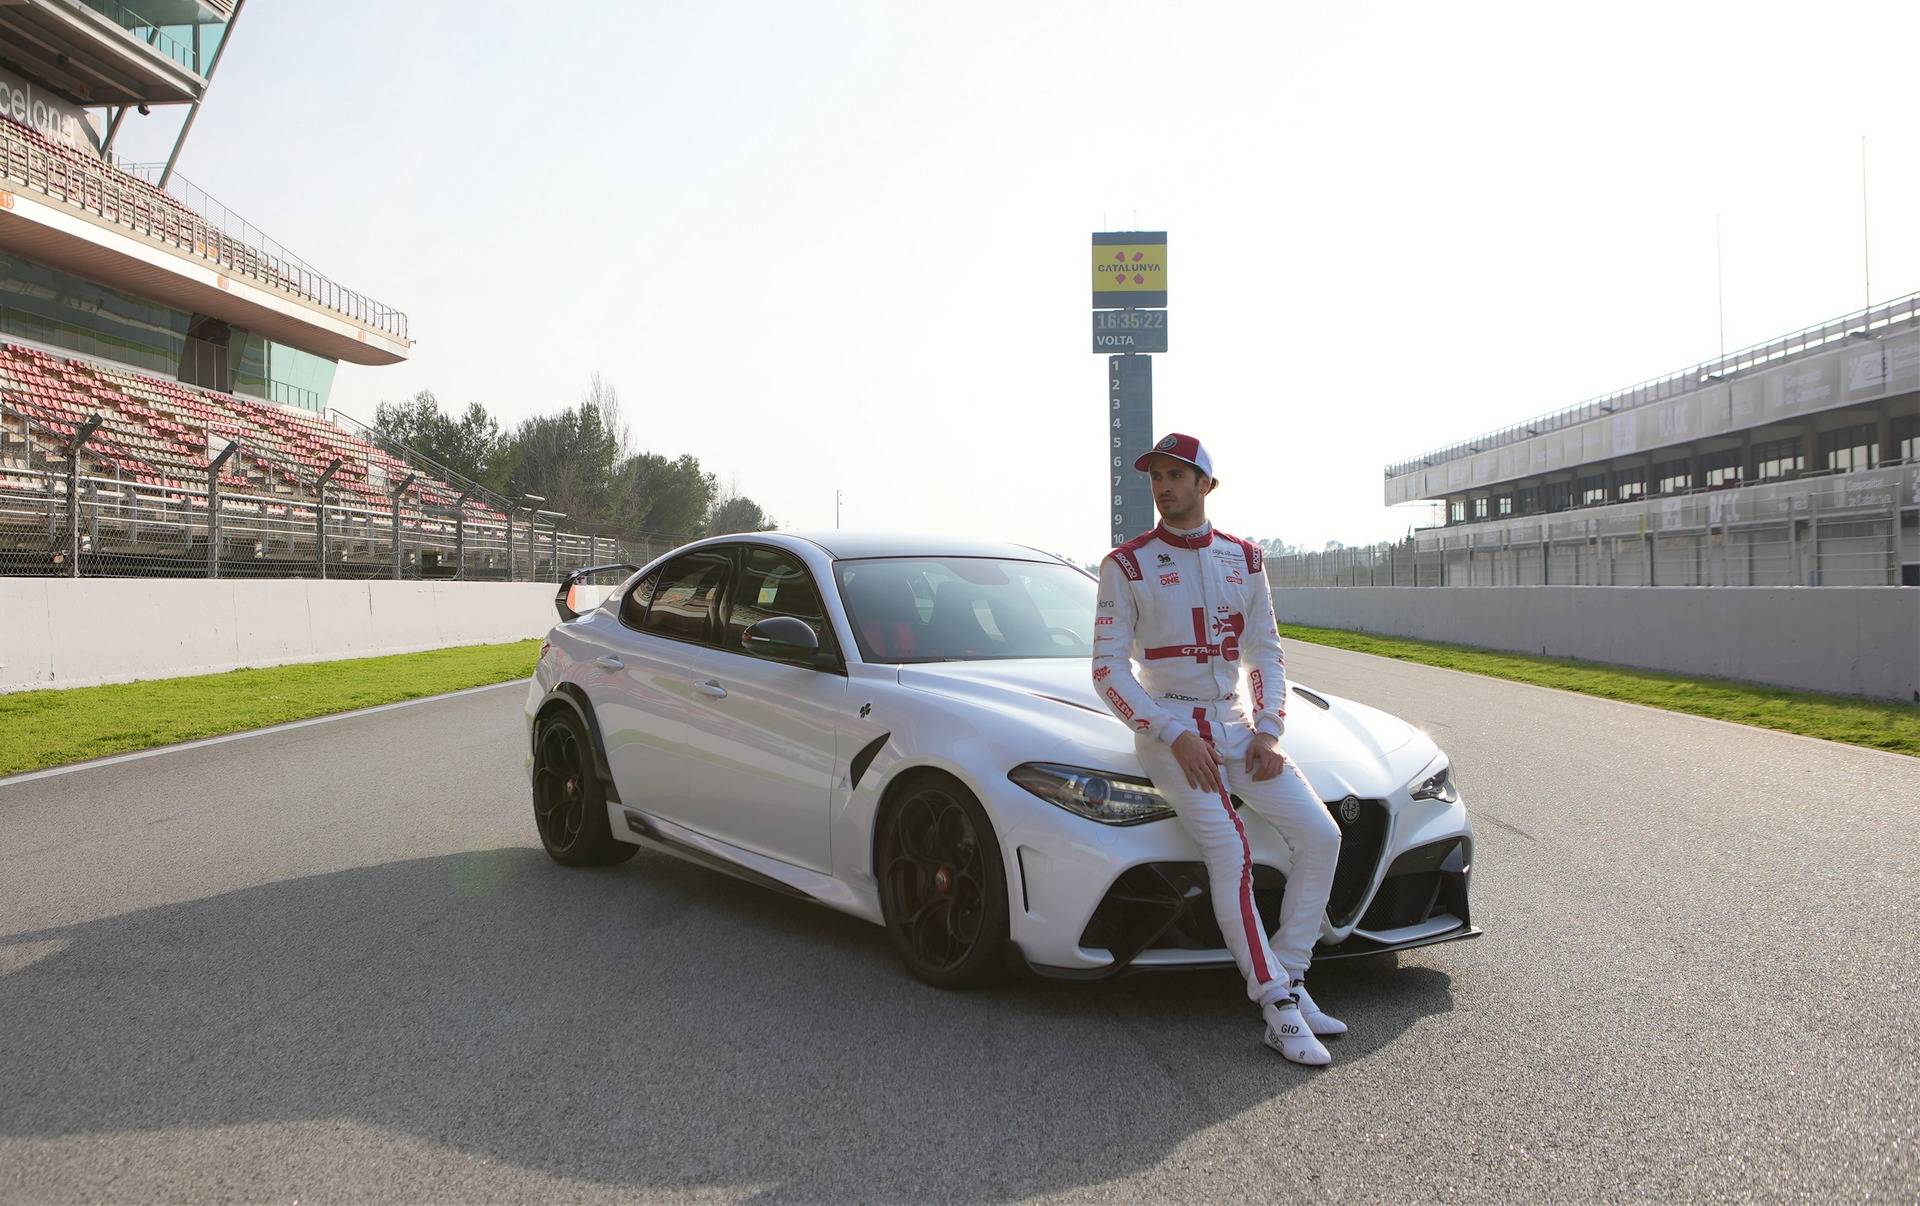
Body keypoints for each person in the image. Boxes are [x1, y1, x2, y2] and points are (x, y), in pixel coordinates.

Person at [1092, 433, 1345, 1065]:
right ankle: (1276, 1007)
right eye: (1156, 477)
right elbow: (1107, 671)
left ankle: (1292, 975)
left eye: (1178, 475)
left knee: (1322, 836)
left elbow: (1265, 655)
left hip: (1236, 727)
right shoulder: (1125, 564)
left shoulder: (1246, 558)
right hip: (1170, 730)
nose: (1164, 487)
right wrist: (1170, 734)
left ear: (1207, 484)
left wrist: (1268, 729)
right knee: (1229, 851)